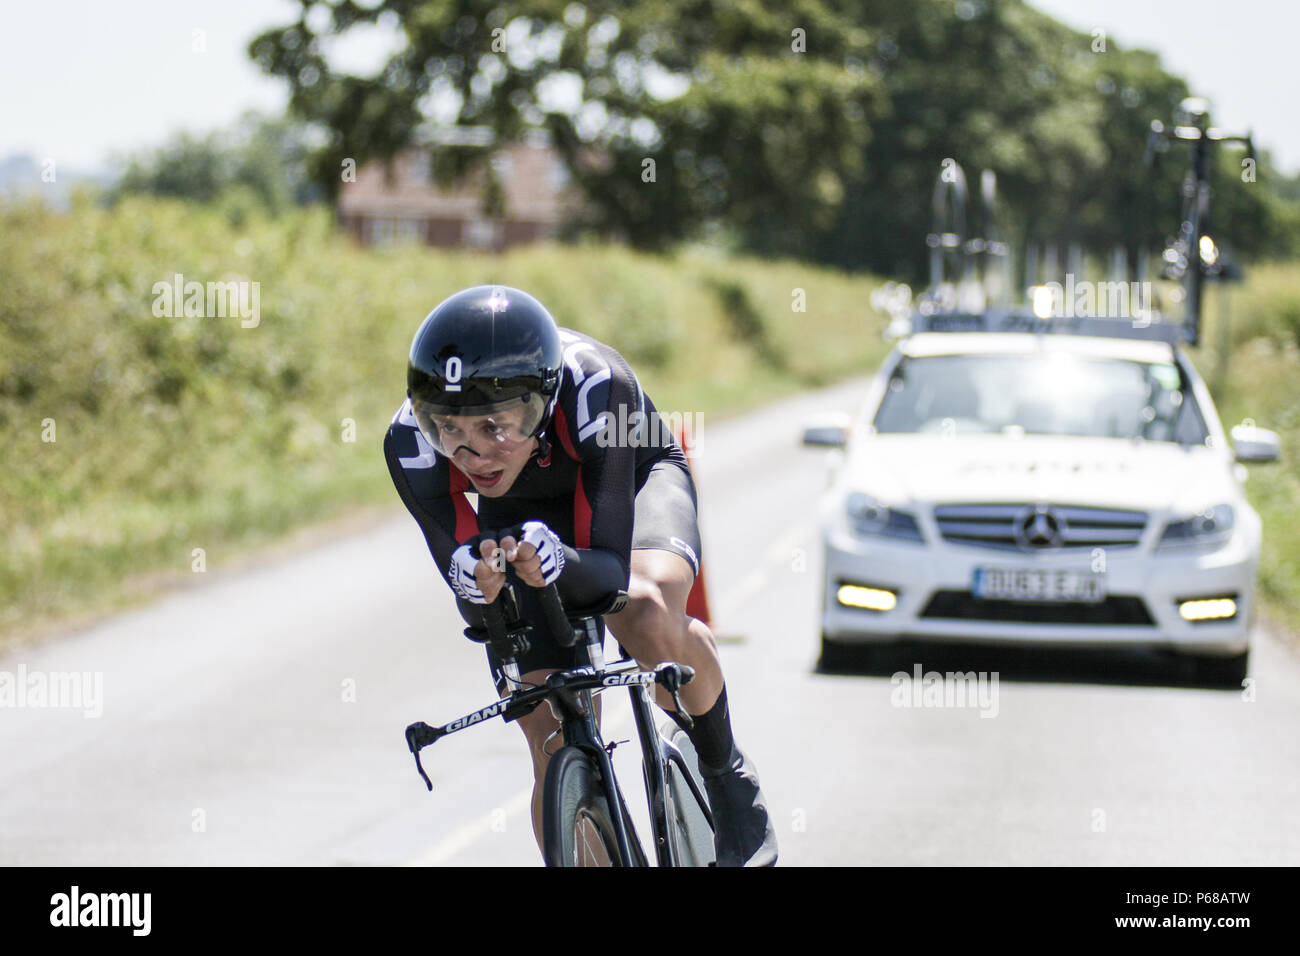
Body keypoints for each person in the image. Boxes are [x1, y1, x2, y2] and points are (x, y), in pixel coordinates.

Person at [383, 284, 777, 866]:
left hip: (631, 478)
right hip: (514, 521)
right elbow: (474, 599)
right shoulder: (409, 443)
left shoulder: (600, 388)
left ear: (540, 404)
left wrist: (560, 562)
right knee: (548, 728)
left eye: (496, 426)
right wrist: (474, 581)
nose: (475, 454)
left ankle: (724, 770)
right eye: (452, 431)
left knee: (644, 613)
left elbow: (611, 574)